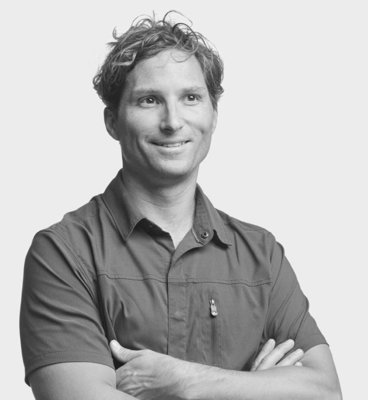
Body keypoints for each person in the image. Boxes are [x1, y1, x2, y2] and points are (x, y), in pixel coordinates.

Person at [20, 11, 342, 400]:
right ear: (112, 121)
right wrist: (256, 389)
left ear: (213, 114)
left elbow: (325, 392)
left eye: (190, 98)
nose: (172, 121)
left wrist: (183, 379)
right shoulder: (64, 253)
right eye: (149, 100)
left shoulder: (263, 255)